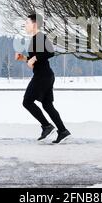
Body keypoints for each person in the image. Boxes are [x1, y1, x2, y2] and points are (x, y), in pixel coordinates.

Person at [15, 13, 71, 144]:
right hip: (46, 75)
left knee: (27, 102)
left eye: (27, 23)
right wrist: (23, 58)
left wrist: (34, 58)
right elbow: (37, 60)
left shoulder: (39, 37)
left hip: (43, 76)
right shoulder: (35, 39)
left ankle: (47, 126)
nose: (25, 25)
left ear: (34, 24)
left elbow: (50, 52)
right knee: (47, 105)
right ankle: (62, 131)